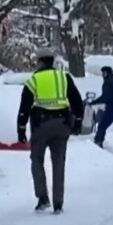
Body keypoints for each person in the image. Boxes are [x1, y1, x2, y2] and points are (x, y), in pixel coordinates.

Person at [17, 48, 84, 214]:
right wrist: (77, 123)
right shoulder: (64, 77)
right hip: (62, 125)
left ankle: (42, 198)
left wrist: (21, 128)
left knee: (37, 160)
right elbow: (77, 101)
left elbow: (24, 106)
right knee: (59, 163)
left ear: (40, 62)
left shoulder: (34, 80)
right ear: (52, 62)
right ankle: (58, 204)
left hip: (40, 125)